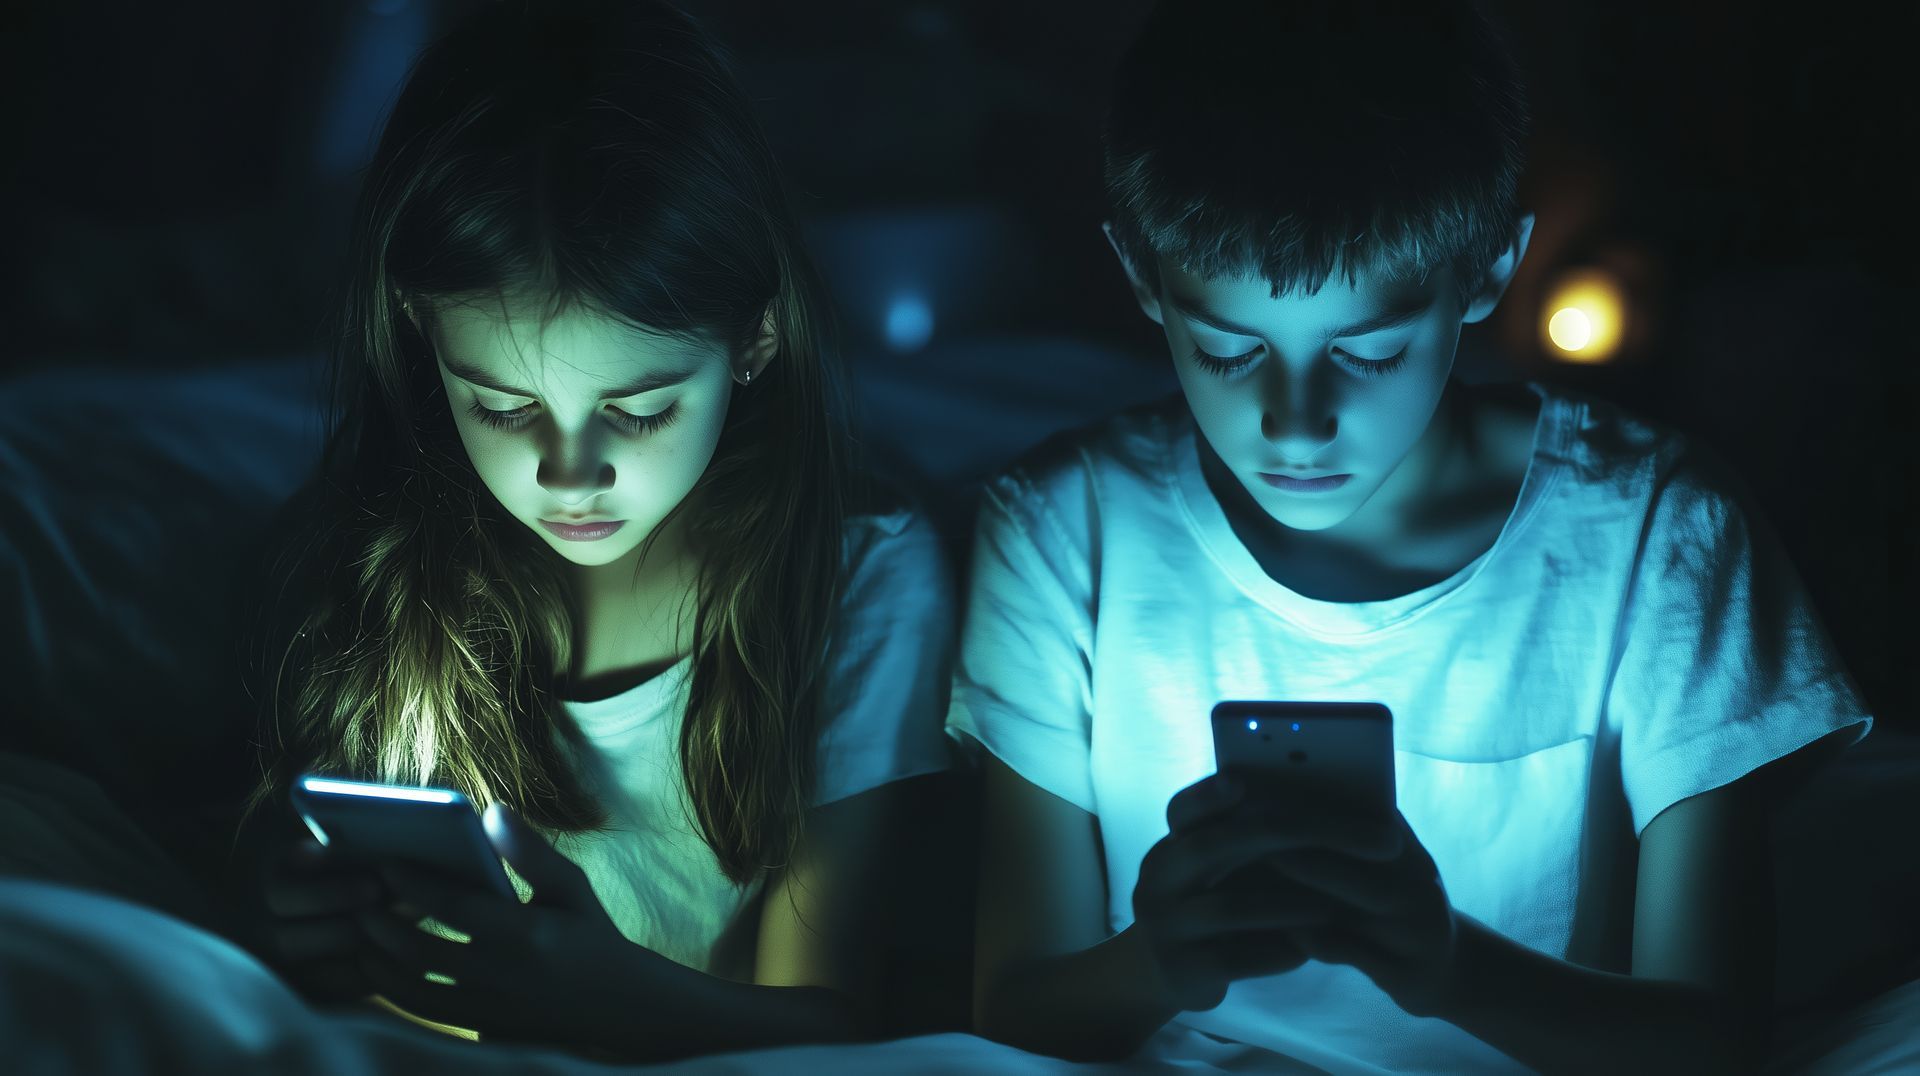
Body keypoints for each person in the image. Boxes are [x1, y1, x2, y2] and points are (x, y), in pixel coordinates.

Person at [950, 1, 1871, 1071]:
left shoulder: (1654, 533)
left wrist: (1450, 968)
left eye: (1373, 349)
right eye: (1230, 350)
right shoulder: (1066, 529)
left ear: (1489, 269)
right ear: (1143, 277)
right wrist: (1162, 958)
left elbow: (1713, 1041)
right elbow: (1010, 1013)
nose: (1296, 421)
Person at [228, 0, 953, 1061]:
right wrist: (276, 889)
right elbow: (277, 834)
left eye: (640, 410)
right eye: (503, 407)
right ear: (420, 331)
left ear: (755, 337)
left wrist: (607, 995)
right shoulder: (385, 546)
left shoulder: (854, 581)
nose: (570, 474)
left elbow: (834, 1029)